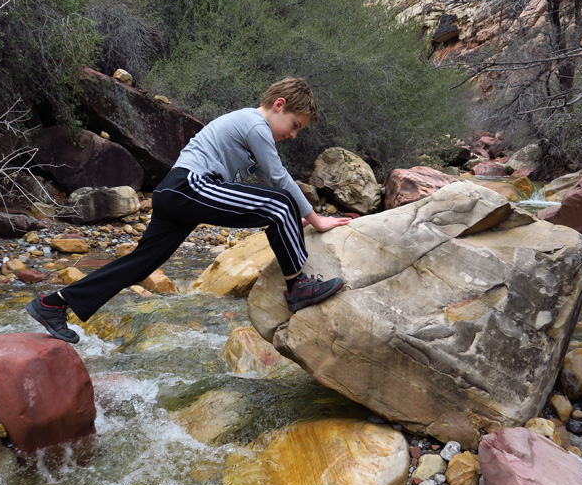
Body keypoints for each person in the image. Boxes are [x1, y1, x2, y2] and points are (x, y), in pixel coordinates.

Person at [27, 77, 351, 343]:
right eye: (294, 125)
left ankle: (52, 303)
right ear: (279, 105)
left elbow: (269, 176)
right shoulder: (255, 124)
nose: (293, 134)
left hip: (175, 193)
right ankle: (299, 285)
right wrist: (316, 219)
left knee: (139, 265)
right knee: (278, 206)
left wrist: (303, 212)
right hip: (189, 185)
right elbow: (279, 179)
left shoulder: (250, 127)